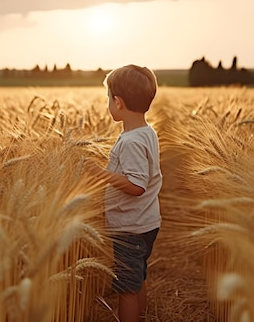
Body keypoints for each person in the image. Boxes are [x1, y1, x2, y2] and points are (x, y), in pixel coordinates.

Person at [87, 64, 162, 322]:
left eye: (109, 98)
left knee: (126, 288)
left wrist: (100, 174)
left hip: (131, 228)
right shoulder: (146, 132)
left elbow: (137, 185)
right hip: (146, 222)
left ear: (118, 102)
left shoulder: (131, 142)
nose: (108, 103)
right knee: (138, 277)